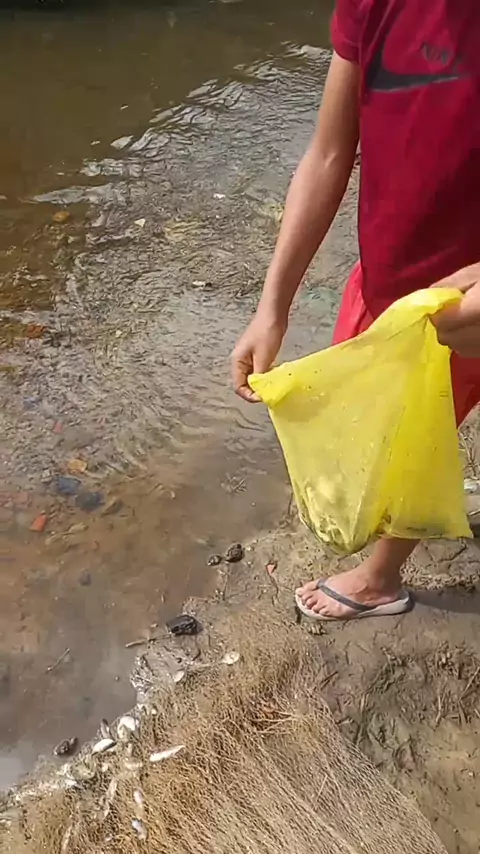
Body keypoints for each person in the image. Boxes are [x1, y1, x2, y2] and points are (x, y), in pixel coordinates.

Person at [231, 0, 480, 621]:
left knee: (412, 447)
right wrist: (273, 306)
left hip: (464, 302)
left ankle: (379, 580)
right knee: (387, 438)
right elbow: (328, 154)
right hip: (391, 289)